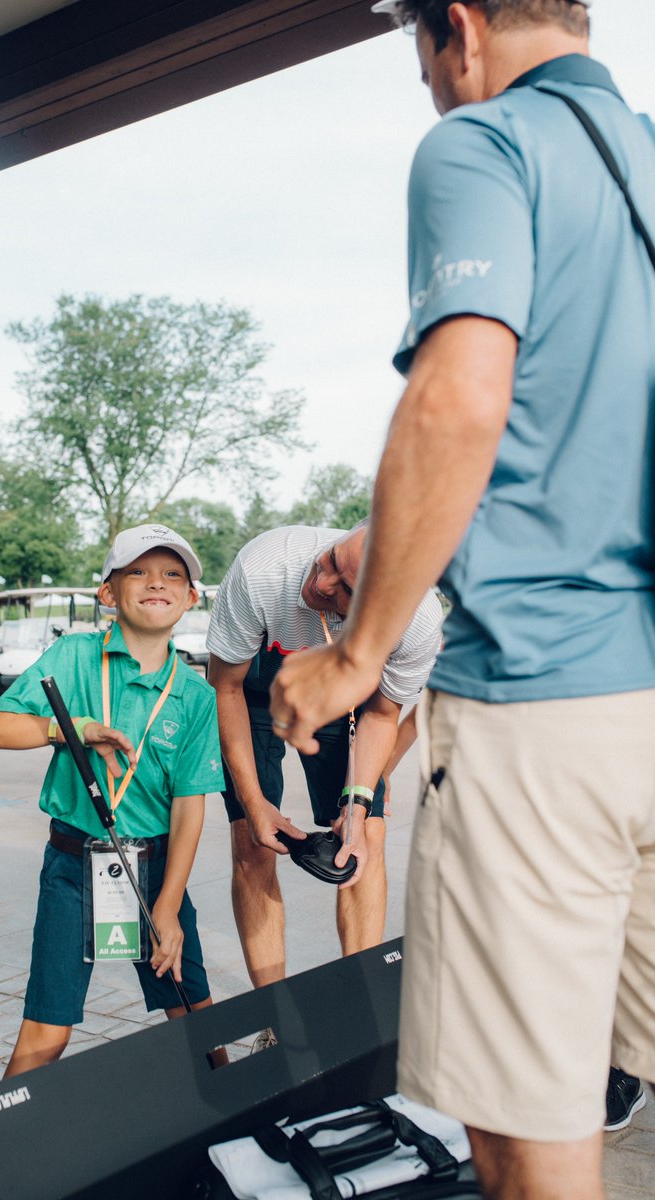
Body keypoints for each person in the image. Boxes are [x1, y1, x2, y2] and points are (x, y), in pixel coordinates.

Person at [270, 0, 655, 1195]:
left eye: (418, 50)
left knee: (524, 1125)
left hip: (545, 713)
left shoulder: (484, 143)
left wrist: (354, 653)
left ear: (461, 27)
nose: (428, 84)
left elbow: (459, 399)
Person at [0, 524, 223, 1077]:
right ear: (108, 592)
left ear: (190, 597)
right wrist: (75, 729)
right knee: (47, 1031)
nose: (156, 583)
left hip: (157, 873)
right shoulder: (73, 656)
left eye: (172, 574)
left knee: (196, 1017)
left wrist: (168, 906)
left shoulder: (196, 695)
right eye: (137, 571)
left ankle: (233, 1116)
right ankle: (7, 1128)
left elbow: (190, 806)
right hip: (73, 866)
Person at [206, 522, 442, 996]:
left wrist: (358, 802)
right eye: (332, 559)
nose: (321, 582)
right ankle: (271, 1009)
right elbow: (225, 688)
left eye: (345, 589)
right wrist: (253, 803)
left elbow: (382, 715)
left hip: (345, 686)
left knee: (364, 835)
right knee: (253, 840)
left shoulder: (416, 624)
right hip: (253, 683)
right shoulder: (263, 568)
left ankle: (360, 998)